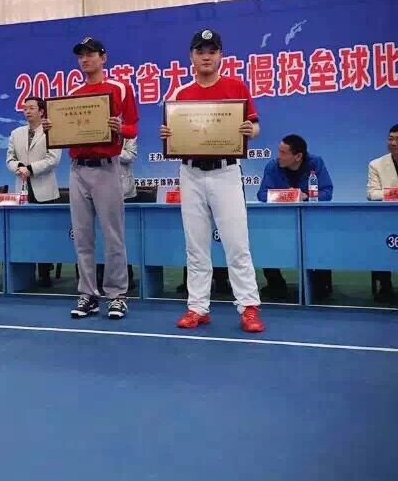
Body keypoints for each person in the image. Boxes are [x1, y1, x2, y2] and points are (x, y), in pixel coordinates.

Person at [159, 28, 264, 333]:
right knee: (195, 245)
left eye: (212, 51)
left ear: (221, 55)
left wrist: (250, 130)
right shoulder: (179, 94)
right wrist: (167, 136)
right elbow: (171, 136)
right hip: (191, 173)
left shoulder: (236, 86)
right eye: (200, 51)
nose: (206, 57)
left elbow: (255, 126)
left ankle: (249, 307)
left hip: (226, 172)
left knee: (237, 243)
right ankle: (197, 307)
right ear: (191, 56)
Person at [44, 36, 139, 320]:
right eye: (81, 55)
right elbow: (65, 132)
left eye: (90, 54)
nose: (85, 59)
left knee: (113, 236)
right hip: (78, 169)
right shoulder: (73, 93)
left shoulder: (120, 88)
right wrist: (52, 128)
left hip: (108, 167)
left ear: (103, 57)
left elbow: (133, 128)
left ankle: (117, 295)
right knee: (82, 236)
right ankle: (88, 293)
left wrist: (120, 127)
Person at [257, 134, 334, 300]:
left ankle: (321, 284)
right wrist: (285, 195)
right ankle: (275, 284)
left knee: (320, 239)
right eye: (279, 151)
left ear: (298, 156)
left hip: (311, 222)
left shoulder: (315, 163)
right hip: (280, 222)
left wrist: (306, 196)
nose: (278, 156)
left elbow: (327, 192)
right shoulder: (272, 166)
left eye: (283, 153)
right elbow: (262, 194)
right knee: (264, 238)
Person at [6, 96, 62, 287]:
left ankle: (45, 273)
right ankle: (26, 273)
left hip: (45, 188)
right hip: (22, 188)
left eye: (31, 108)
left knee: (44, 234)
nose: (27, 111)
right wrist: (19, 168)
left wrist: (30, 169)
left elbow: (53, 159)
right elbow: (10, 159)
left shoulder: (50, 131)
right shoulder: (16, 133)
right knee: (25, 232)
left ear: (41, 111)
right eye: (25, 108)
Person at [96, 136, 137, 293]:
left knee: (119, 235)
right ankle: (100, 276)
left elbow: (130, 155)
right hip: (98, 185)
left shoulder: (127, 131)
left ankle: (126, 276)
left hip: (123, 190)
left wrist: (108, 151)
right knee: (101, 234)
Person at [366, 123, 398, 303]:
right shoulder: (376, 164)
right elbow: (372, 193)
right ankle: (384, 285)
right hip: (388, 217)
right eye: (390, 139)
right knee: (379, 236)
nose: (393, 143)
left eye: (397, 139)